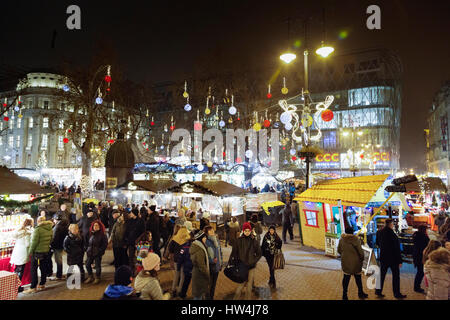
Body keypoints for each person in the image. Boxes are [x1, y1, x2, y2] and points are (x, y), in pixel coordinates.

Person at [375, 218, 406, 299]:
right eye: (393, 224)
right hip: (393, 259)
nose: (393, 225)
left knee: (381, 275)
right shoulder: (393, 235)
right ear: (391, 224)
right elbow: (397, 249)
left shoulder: (379, 232)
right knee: (396, 276)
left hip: (383, 257)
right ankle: (396, 293)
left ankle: (378, 291)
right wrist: (400, 261)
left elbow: (377, 243)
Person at [232, 222, 262, 300]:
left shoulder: (254, 241)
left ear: (251, 231)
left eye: (249, 231)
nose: (247, 232)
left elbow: (259, 253)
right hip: (242, 266)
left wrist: (253, 261)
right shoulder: (238, 241)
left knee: (249, 287)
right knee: (241, 285)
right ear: (243, 231)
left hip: (251, 266)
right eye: (246, 231)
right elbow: (234, 253)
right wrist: (237, 264)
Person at [23, 216, 53, 294]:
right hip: (45, 251)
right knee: (43, 268)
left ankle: (33, 287)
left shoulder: (38, 229)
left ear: (38, 221)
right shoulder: (50, 228)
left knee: (33, 269)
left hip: (37, 252)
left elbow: (34, 243)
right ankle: (42, 284)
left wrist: (30, 251)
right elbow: (51, 239)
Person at [337, 226, 368, 300]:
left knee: (346, 279)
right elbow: (360, 251)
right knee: (358, 278)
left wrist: (345, 255)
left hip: (346, 262)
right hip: (356, 262)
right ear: (352, 232)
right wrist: (362, 258)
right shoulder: (356, 239)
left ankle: (344, 295)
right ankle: (360, 293)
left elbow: (339, 250)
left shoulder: (342, 239)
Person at [10, 218, 34, 293]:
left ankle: (13, 285)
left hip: (17, 251)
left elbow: (14, 236)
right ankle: (17, 287)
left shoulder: (19, 230)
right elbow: (27, 244)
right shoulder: (28, 232)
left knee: (16, 269)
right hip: (23, 253)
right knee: (20, 270)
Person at [168, 226, 191, 297]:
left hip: (176, 260)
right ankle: (179, 291)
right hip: (184, 260)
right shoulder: (187, 240)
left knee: (176, 275)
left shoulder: (174, 239)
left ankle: (173, 289)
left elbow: (170, 249)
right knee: (182, 276)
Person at [84, 220, 108, 284]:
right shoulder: (89, 234)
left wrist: (100, 251)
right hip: (90, 252)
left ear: (100, 226)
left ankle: (97, 278)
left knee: (97, 266)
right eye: (94, 225)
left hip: (98, 253)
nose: (95, 226)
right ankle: (90, 276)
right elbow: (86, 242)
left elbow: (105, 244)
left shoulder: (103, 235)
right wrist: (87, 249)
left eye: (97, 225)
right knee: (87, 265)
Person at [190, 230, 210, 300]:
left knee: (199, 294)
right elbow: (201, 265)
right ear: (200, 238)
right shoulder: (199, 249)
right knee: (198, 295)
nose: (205, 239)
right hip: (199, 275)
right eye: (204, 237)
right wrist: (207, 274)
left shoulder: (197, 246)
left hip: (197, 273)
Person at [204, 225, 223, 299]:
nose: (212, 231)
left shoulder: (216, 240)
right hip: (210, 266)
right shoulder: (206, 241)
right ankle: (207, 297)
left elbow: (220, 252)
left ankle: (211, 297)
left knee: (214, 284)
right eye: (210, 230)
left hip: (217, 265)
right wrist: (211, 260)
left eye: (212, 230)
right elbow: (205, 254)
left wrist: (220, 262)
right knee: (209, 283)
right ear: (206, 232)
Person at [124, 210, 145, 275]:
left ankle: (140, 270)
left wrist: (140, 239)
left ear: (134, 213)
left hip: (139, 242)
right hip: (131, 242)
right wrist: (126, 239)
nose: (130, 214)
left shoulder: (141, 221)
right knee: (131, 257)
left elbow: (143, 231)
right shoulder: (130, 221)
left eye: (131, 213)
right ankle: (132, 271)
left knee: (140, 257)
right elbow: (127, 231)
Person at [261, 225, 282, 289]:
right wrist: (263, 252)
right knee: (271, 267)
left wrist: (278, 245)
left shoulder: (276, 237)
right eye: (270, 230)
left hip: (274, 255)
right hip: (268, 255)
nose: (271, 231)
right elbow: (263, 245)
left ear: (274, 230)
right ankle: (272, 280)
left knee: (271, 267)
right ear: (269, 230)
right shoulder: (266, 236)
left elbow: (280, 244)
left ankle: (272, 280)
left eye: (272, 230)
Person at [49, 214, 69, 280]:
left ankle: (59, 275)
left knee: (58, 261)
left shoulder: (57, 227)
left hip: (57, 246)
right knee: (59, 260)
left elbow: (55, 237)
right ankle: (59, 274)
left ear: (56, 219)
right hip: (61, 245)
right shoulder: (64, 225)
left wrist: (52, 244)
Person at [412, 225, 430, 293]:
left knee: (420, 272)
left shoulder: (416, 235)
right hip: (421, 257)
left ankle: (416, 286)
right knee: (420, 272)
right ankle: (417, 287)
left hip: (417, 256)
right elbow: (427, 246)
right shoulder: (423, 237)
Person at [177, 230, 194, 299]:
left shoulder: (184, 246)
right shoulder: (197, 246)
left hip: (187, 267)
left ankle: (182, 294)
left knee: (186, 281)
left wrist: (178, 266)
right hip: (194, 267)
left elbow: (181, 256)